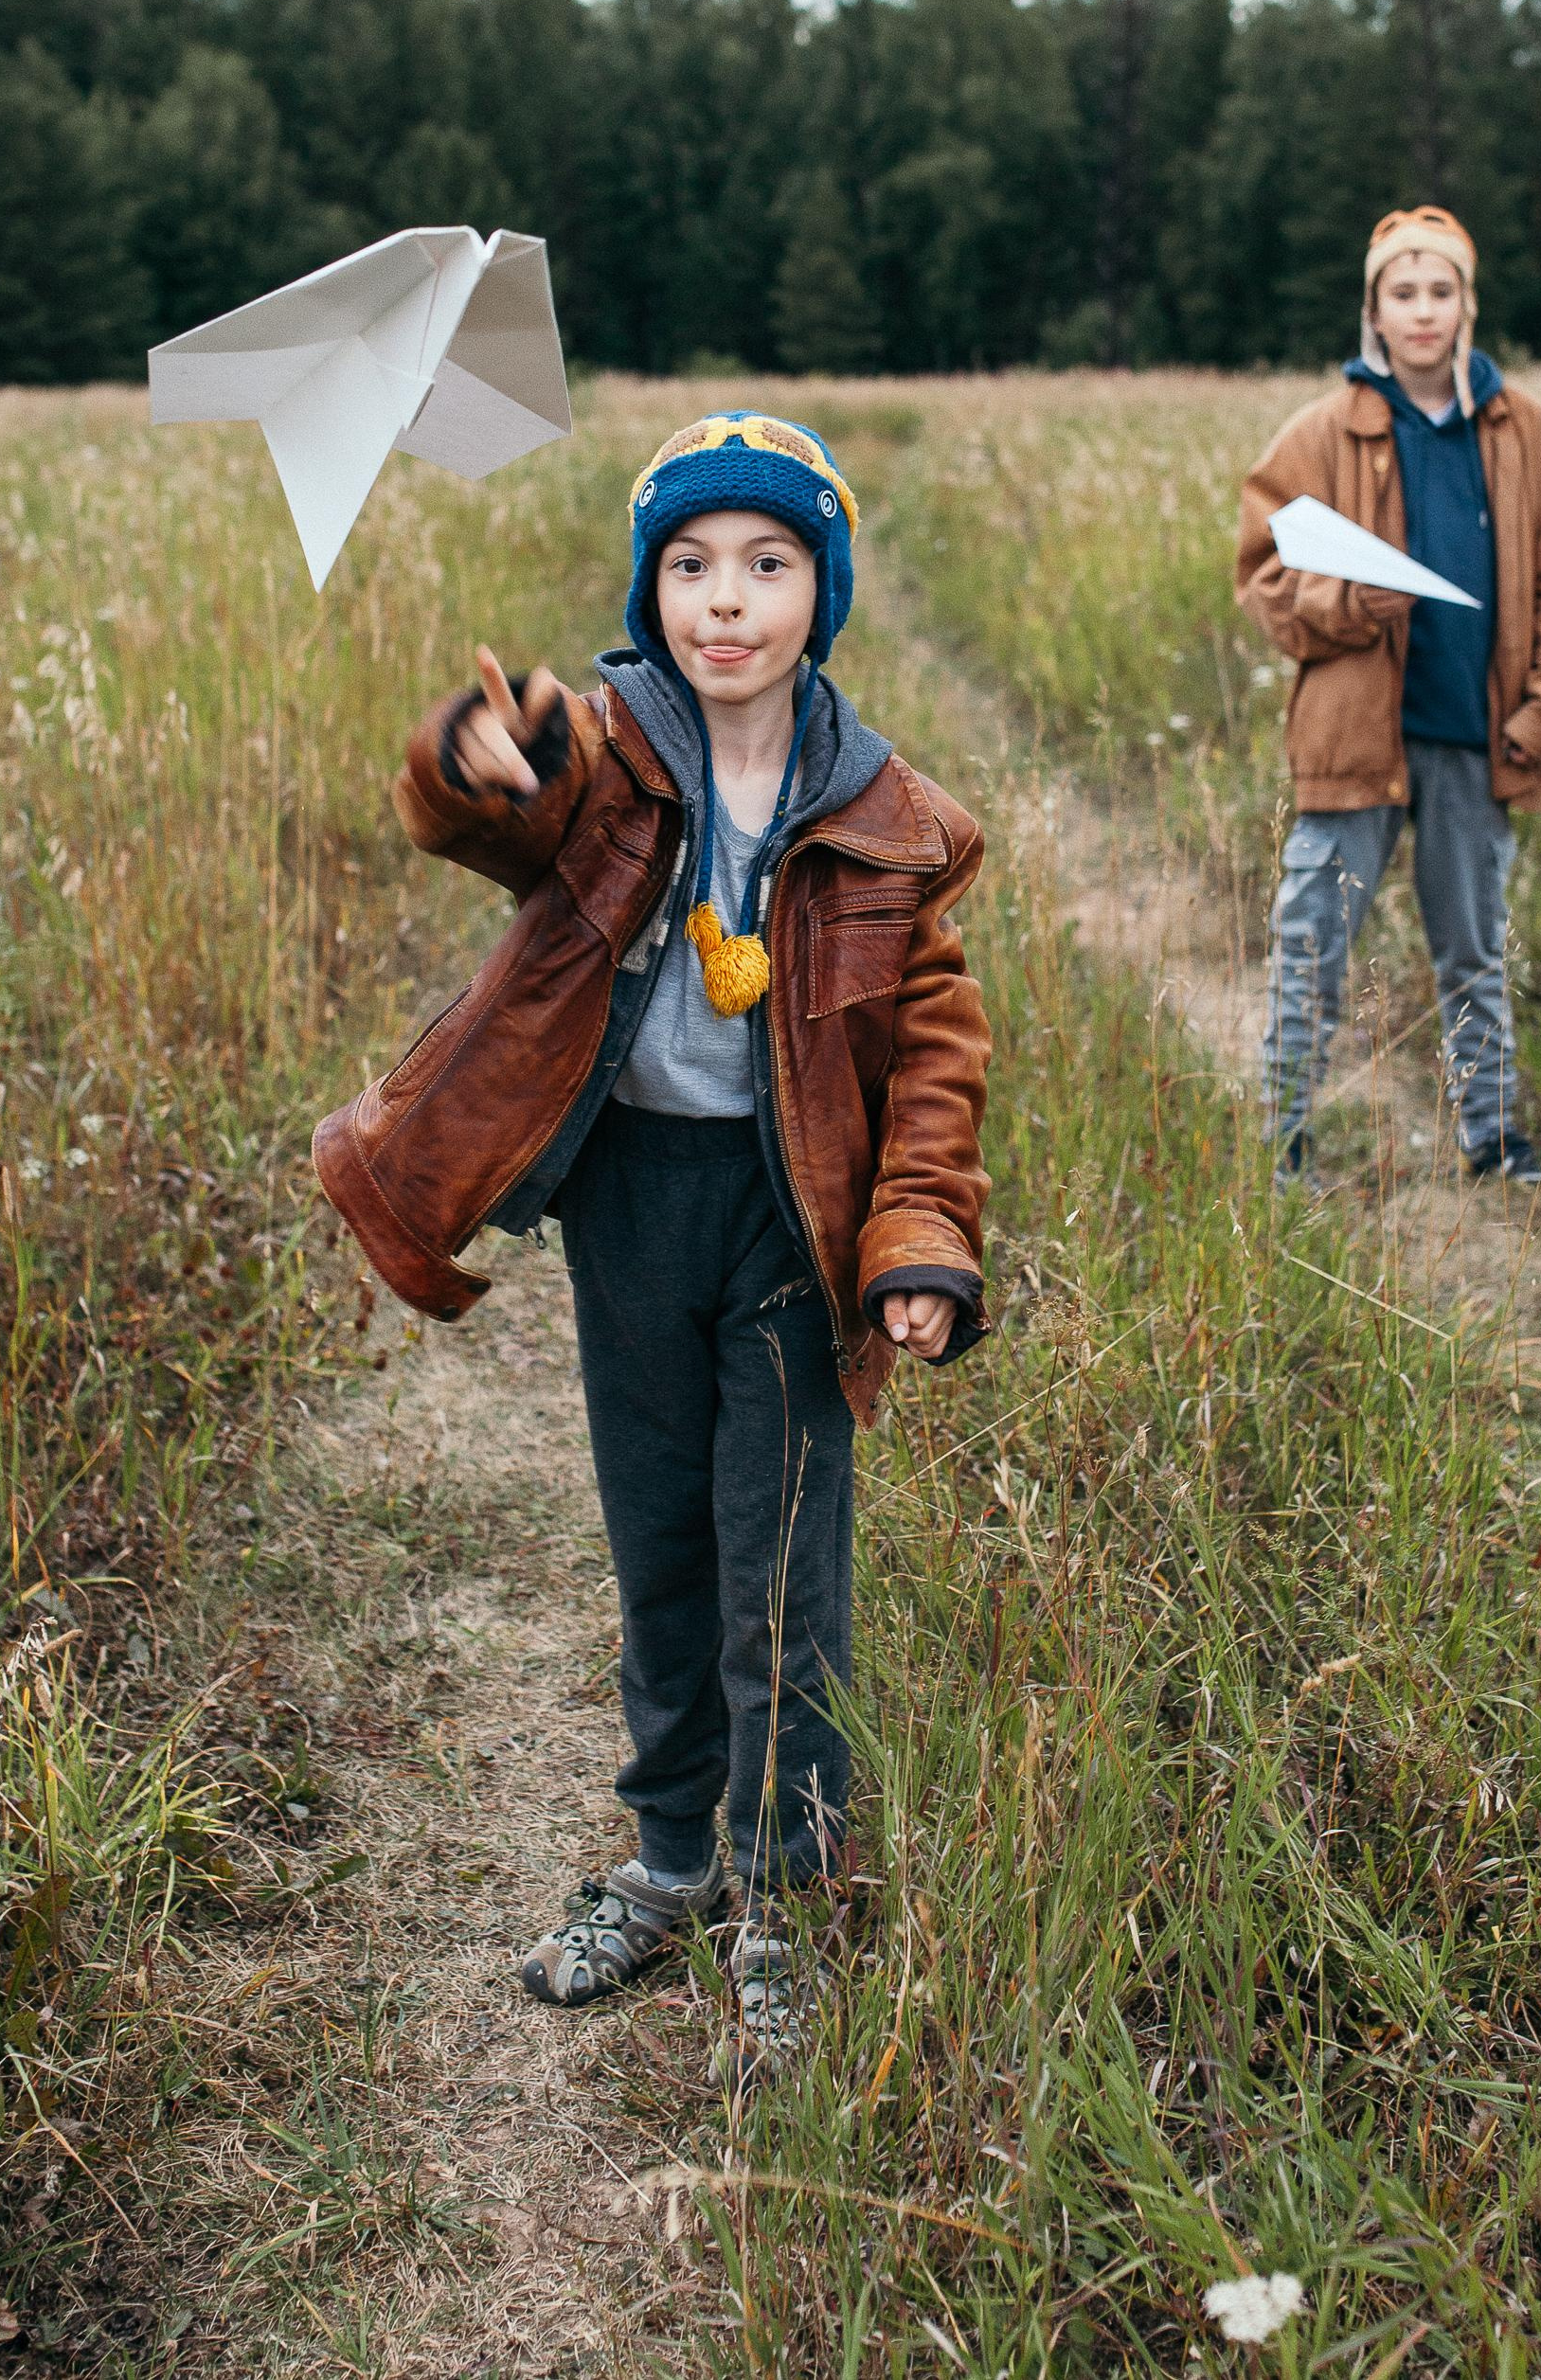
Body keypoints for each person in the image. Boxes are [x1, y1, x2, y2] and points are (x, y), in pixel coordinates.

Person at [314, 411, 991, 2081]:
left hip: (791, 1222)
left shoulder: (893, 819)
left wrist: (915, 1234)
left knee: (782, 1568)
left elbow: (934, 1051)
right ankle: (674, 1861)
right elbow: (482, 819)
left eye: (766, 563)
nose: (724, 599)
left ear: (822, 592)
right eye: (688, 566)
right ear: (651, 592)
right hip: (632, 1206)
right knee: (662, 1544)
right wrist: (478, 754)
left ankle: (787, 1896)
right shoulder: (603, 761)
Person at [1235, 206, 1541, 1185]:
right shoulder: (1321, 432)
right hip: (1352, 739)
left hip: (1475, 737)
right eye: (1400, 293)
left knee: (1473, 950)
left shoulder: (1530, 434)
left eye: (1438, 291)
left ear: (1465, 305)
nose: (1420, 310)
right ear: (1372, 310)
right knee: (1309, 947)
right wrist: (1345, 601)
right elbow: (1264, 575)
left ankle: (1491, 1140)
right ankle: (1279, 1145)